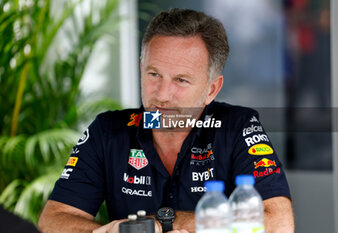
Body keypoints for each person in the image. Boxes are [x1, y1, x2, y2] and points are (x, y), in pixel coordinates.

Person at [38, 8, 294, 233]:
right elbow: (53, 221)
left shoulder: (237, 127)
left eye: (181, 80)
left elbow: (279, 223)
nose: (161, 95)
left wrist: (160, 223)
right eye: (154, 74)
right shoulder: (107, 131)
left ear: (212, 90)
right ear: (141, 69)